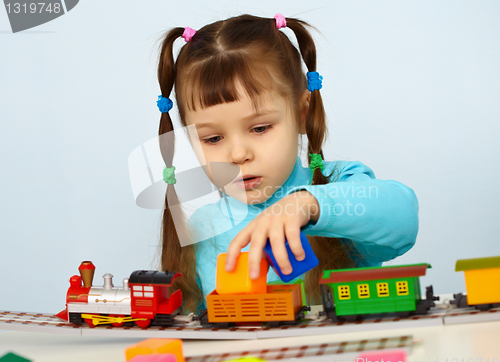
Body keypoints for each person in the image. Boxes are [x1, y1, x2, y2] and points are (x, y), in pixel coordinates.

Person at [156, 14, 419, 314]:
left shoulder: (338, 187)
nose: (238, 154)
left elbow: (404, 216)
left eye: (259, 128)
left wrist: (308, 204)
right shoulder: (202, 227)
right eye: (213, 138)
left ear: (302, 113)